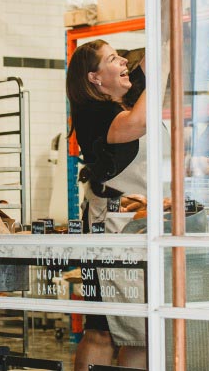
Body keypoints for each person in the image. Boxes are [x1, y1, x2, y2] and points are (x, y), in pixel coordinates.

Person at [66, 39, 152, 370]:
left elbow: (146, 68)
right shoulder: (94, 112)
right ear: (94, 77)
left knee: (132, 328)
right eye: (114, 59)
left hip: (134, 224)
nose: (123, 63)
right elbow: (138, 124)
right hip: (110, 226)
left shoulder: (118, 104)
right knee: (108, 331)